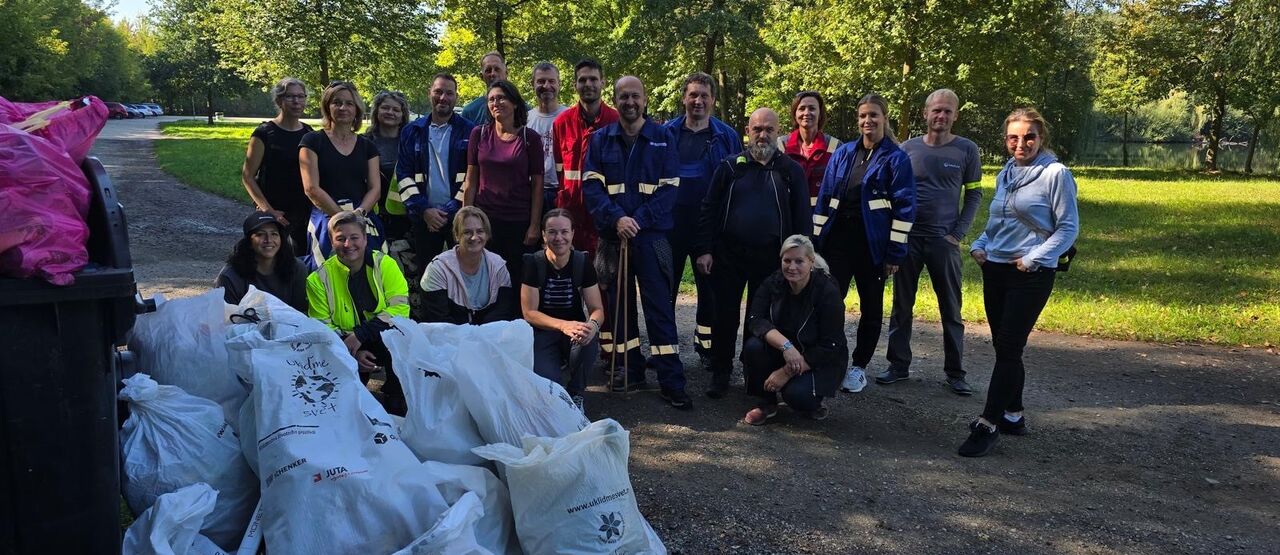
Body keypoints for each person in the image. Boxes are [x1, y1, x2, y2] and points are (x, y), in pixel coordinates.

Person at [959, 107, 1079, 458]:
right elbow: (999, 222)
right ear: (1005, 140)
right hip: (995, 268)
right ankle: (1013, 414)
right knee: (1004, 348)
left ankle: (988, 423)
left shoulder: (1056, 174)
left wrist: (1033, 259)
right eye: (1014, 137)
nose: (1021, 143)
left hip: (1030, 274)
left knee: (1010, 347)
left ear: (1041, 138)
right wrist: (980, 244)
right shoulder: (1007, 173)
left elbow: (1068, 228)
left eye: (1029, 137)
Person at [582, 75, 692, 410]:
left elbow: (670, 188)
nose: (629, 102)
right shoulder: (600, 140)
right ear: (615, 100)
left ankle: (671, 380)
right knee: (618, 309)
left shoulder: (662, 138)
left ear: (644, 100)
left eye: (635, 96)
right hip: (613, 237)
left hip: (652, 236)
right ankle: (629, 370)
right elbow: (591, 187)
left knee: (659, 309)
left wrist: (638, 220)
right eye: (623, 96)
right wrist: (617, 219)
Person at [694, 108, 809, 399]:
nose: (763, 135)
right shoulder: (730, 167)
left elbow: (802, 219)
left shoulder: (790, 171)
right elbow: (708, 209)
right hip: (728, 256)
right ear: (747, 131)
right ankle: (720, 371)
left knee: (759, 319)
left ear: (778, 131)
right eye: (757, 129)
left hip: (771, 261)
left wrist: (802, 260)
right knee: (724, 316)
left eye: (769, 129)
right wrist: (705, 250)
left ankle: (752, 372)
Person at [811, 93, 916, 395]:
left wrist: (895, 252)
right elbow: (825, 198)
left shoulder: (896, 159)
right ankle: (830, 357)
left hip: (873, 247)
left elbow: (905, 209)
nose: (867, 121)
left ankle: (859, 367)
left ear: (884, 118)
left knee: (871, 308)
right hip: (838, 243)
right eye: (863, 116)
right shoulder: (844, 153)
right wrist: (816, 242)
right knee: (831, 301)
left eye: (873, 115)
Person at [881, 89, 983, 395]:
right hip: (909, 239)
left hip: (943, 241)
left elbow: (974, 194)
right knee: (902, 305)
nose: (941, 115)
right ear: (925, 113)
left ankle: (955, 372)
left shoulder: (966, 150)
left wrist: (958, 233)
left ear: (955, 115)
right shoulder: (908, 149)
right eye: (936, 110)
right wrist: (895, 235)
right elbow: (892, 193)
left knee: (951, 308)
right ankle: (898, 365)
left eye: (947, 111)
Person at [664, 72, 741, 367]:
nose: (698, 101)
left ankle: (707, 350)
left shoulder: (727, 137)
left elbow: (736, 183)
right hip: (670, 225)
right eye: (693, 95)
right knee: (665, 289)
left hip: (709, 227)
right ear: (684, 98)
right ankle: (665, 349)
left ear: (713, 100)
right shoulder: (666, 133)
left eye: (704, 95)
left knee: (710, 292)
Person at [306, 210, 409, 415]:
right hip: (344, 345)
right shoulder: (317, 279)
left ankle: (396, 398)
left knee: (402, 345)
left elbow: (400, 309)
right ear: (332, 241)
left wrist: (361, 335)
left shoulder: (385, 264)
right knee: (345, 406)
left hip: (382, 336)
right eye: (340, 239)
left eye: (354, 237)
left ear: (365, 238)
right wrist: (352, 353)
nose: (348, 244)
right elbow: (322, 328)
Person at [740, 235, 848, 425]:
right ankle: (767, 402)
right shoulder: (774, 282)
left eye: (799, 261)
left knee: (796, 395)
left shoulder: (827, 291)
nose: (792, 267)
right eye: (787, 260)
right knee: (753, 346)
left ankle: (812, 402)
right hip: (784, 351)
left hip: (817, 358)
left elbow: (831, 344)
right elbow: (755, 320)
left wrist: (786, 372)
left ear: (811, 262)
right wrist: (787, 347)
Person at [397, 73, 478, 320]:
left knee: (463, 271)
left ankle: (461, 322)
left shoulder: (469, 131)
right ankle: (432, 324)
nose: (443, 97)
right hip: (424, 218)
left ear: (456, 97)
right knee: (428, 274)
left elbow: (473, 175)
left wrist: (451, 210)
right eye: (438, 92)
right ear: (429, 93)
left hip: (458, 217)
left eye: (449, 93)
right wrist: (424, 210)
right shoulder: (412, 131)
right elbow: (404, 175)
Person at [520, 208, 605, 410]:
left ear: (572, 233)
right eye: (552, 232)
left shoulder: (582, 262)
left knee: (589, 338)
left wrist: (592, 326)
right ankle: (558, 396)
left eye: (564, 232)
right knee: (550, 386)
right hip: (542, 333)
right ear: (543, 235)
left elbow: (597, 309)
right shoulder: (533, 263)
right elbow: (529, 313)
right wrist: (563, 325)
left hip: (574, 333)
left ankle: (577, 393)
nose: (559, 238)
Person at [462, 79, 544, 279]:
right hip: (485, 222)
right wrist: (465, 220)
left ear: (515, 103)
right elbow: (470, 181)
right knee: (486, 277)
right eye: (491, 99)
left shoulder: (530, 138)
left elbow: (538, 186)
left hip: (518, 222)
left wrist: (534, 225)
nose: (496, 103)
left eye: (501, 98)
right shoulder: (478, 134)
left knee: (516, 277)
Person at [299, 81, 383, 269]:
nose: (343, 108)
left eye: (349, 103)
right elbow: (311, 188)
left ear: (357, 109)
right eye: (337, 102)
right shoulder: (312, 141)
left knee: (373, 268)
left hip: (361, 214)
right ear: (327, 107)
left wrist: (358, 215)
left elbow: (375, 189)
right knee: (325, 271)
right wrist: (342, 219)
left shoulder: (367, 145)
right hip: (326, 215)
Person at [553, 59, 619, 261]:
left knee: (605, 274)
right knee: (572, 271)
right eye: (582, 80)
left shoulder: (616, 122)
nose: (588, 84)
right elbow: (559, 169)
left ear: (603, 83)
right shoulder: (562, 123)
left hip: (606, 213)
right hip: (572, 212)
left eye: (593, 79)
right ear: (575, 85)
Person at [241, 77, 314, 250]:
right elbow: (248, 176)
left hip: (304, 212)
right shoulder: (264, 133)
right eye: (290, 96)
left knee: (302, 260)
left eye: (300, 96)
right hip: (274, 212)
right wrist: (267, 210)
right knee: (271, 258)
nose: (296, 101)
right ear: (279, 100)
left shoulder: (309, 133)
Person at [365, 91, 418, 311]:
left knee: (408, 267)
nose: (390, 113)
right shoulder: (365, 141)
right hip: (374, 214)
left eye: (396, 109)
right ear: (376, 111)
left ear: (403, 114)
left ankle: (409, 311)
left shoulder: (410, 141)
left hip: (406, 216)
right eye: (385, 108)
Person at [420, 206, 518, 325]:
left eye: (480, 231)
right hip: (449, 333)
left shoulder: (499, 265)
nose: (474, 237)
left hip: (489, 332)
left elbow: (503, 310)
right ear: (456, 235)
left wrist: (481, 332)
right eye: (467, 232)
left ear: (487, 235)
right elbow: (438, 319)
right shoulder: (437, 269)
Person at [215, 211, 309, 312]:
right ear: (249, 242)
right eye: (260, 234)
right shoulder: (230, 276)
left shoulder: (297, 268)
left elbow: (301, 311)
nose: (268, 240)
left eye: (274, 234)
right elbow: (225, 317)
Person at [779, 91, 841, 208]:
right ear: (795, 114)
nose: (806, 113)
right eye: (802, 108)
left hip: (822, 216)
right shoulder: (780, 146)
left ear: (820, 114)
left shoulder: (836, 147)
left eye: (812, 108)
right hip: (789, 216)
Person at [527, 62, 568, 217]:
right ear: (532, 84)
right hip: (531, 190)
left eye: (551, 81)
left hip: (562, 190)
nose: (546, 86)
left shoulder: (569, 117)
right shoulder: (525, 119)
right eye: (541, 81)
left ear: (559, 84)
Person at [459, 51, 523, 125]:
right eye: (488, 70)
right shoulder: (470, 112)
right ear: (481, 76)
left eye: (497, 69)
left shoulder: (523, 108)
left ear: (506, 73)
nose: (493, 73)